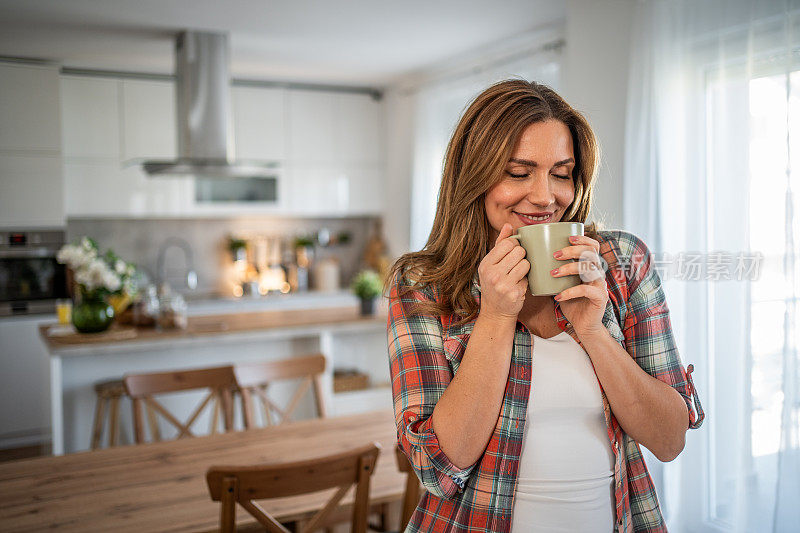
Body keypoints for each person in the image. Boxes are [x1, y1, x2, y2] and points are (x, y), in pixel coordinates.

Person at [386, 79, 705, 532]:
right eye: (519, 172)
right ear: (473, 176)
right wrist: (496, 315)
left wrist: (595, 333)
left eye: (561, 173)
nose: (545, 196)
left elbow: (670, 439)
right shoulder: (422, 284)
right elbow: (440, 467)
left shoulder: (621, 263)